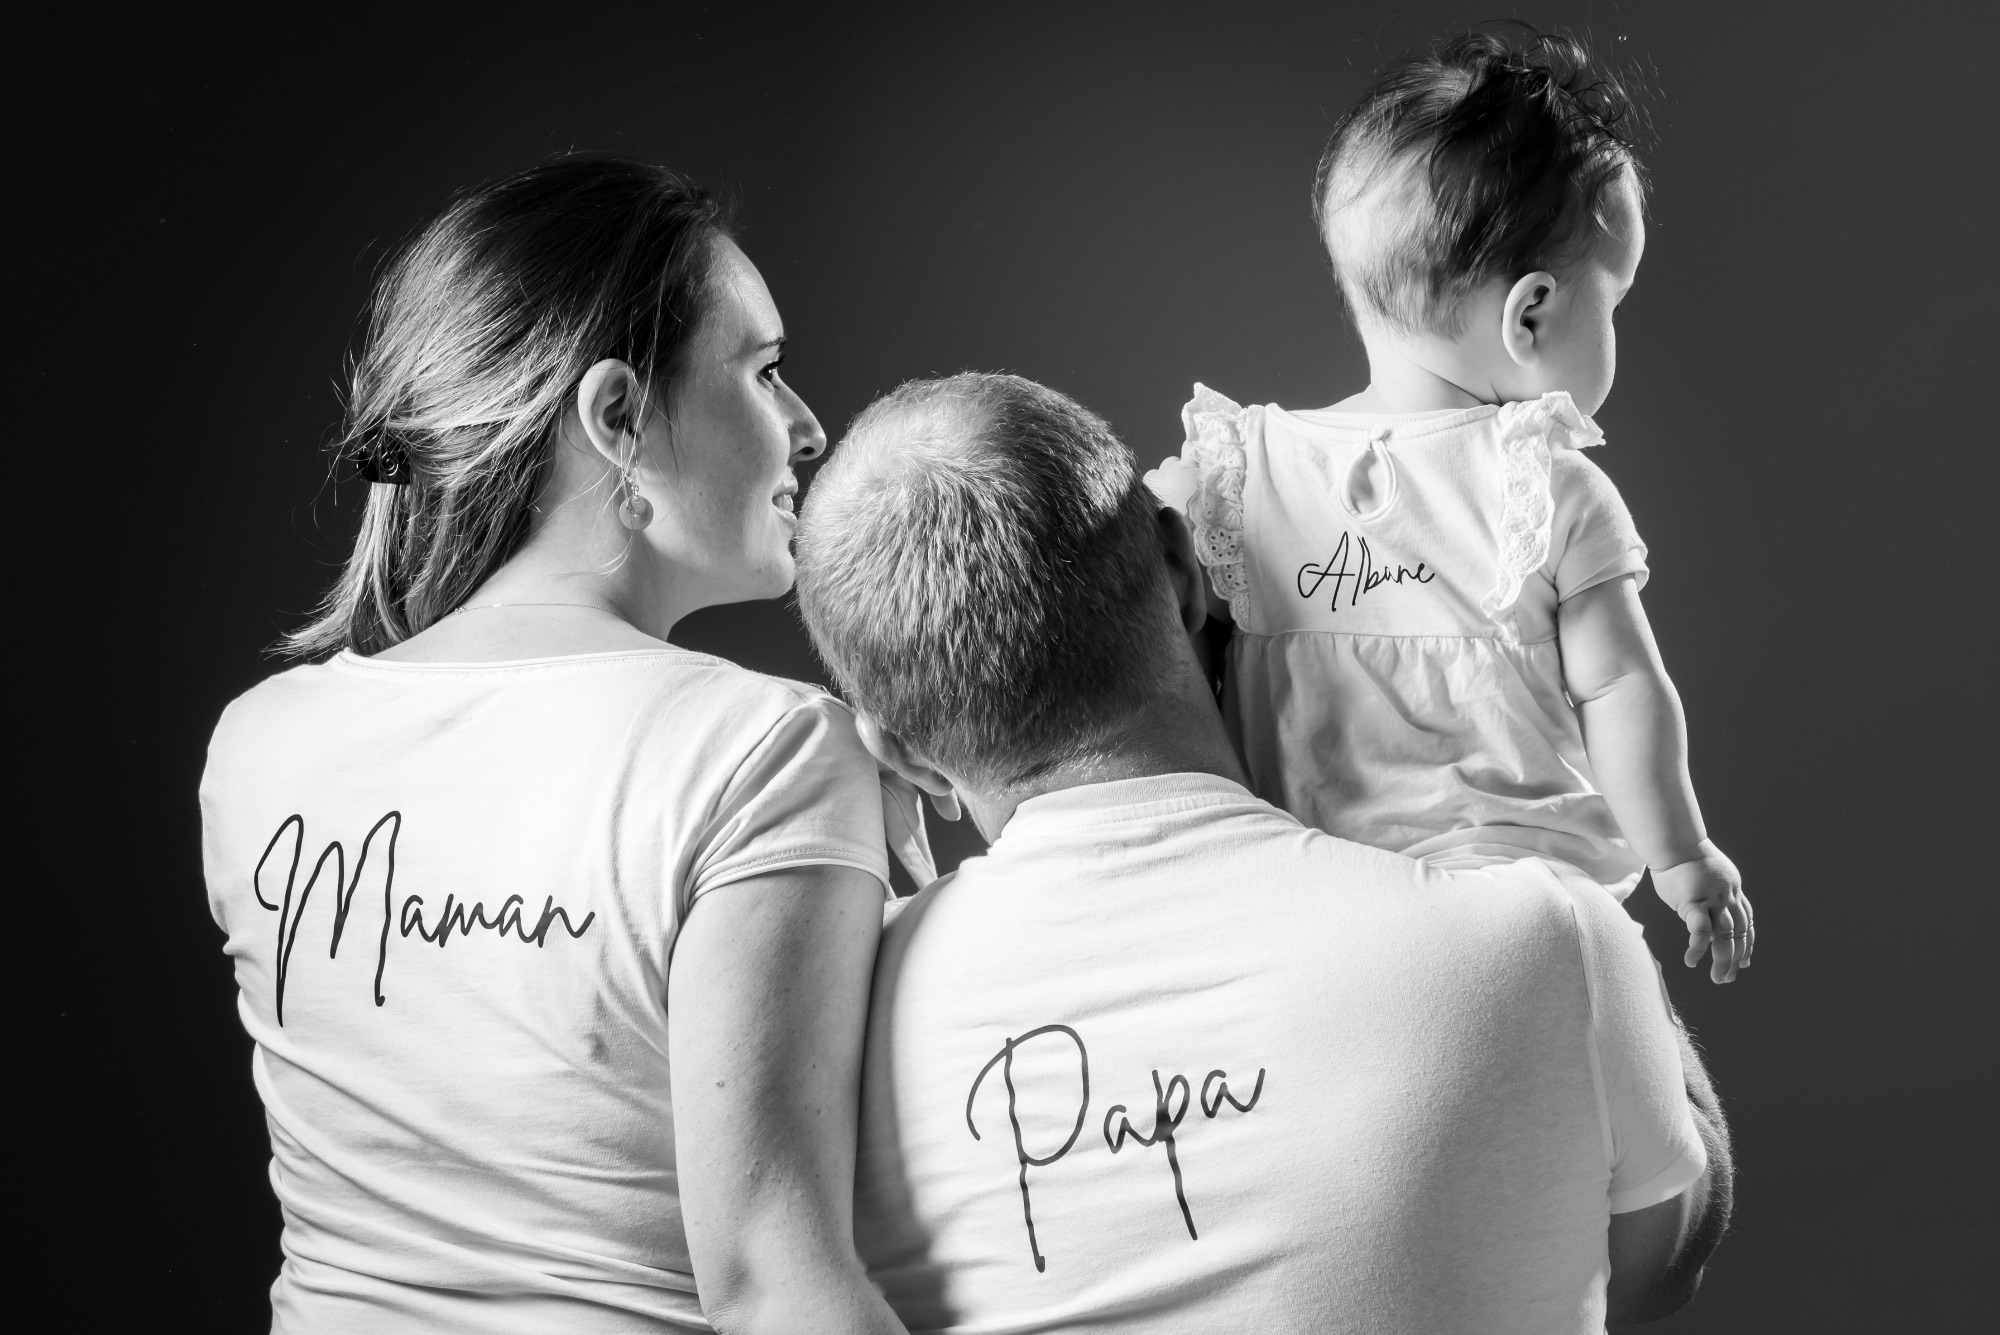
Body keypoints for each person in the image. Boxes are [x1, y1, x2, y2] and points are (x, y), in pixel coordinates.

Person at [795, 372, 1734, 1333]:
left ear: (902, 748)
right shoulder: (1541, 934)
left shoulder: (823, 1035)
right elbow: (1655, 1264)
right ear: (1180, 562)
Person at [199, 158, 906, 1334]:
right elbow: (775, 1289)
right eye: (764, 371)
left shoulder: (259, 747)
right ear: (617, 414)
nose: (808, 426)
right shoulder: (761, 752)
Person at [1145, 28, 1754, 981]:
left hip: (1303, 923)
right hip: (1515, 925)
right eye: (1616, 301)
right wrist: (1682, 856)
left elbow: (1112, 577)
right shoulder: (1543, 485)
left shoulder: (1240, 475)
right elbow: (1624, 689)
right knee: (1665, 1124)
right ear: (1533, 316)